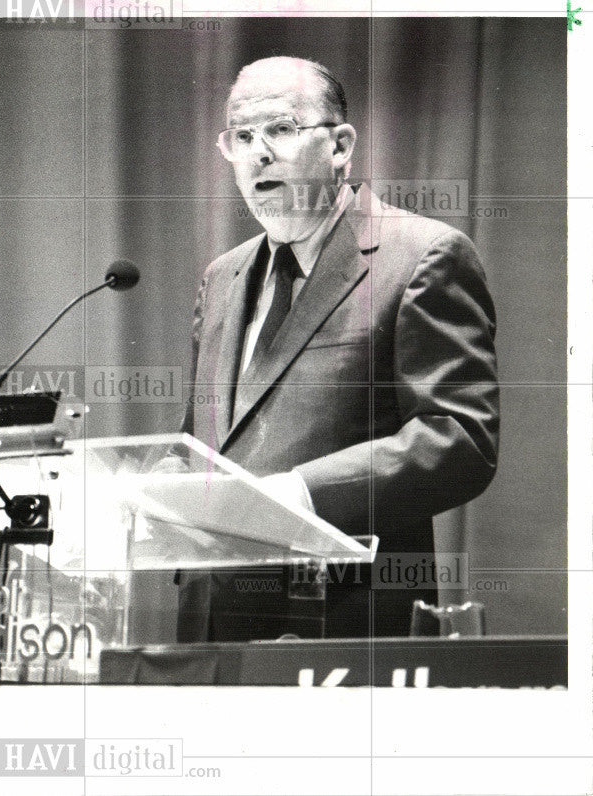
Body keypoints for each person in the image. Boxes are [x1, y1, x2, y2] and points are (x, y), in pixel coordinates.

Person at [179, 57, 499, 638]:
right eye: (242, 137)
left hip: (341, 620)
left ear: (340, 145)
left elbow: (460, 439)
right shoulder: (222, 277)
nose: (258, 153)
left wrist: (299, 494)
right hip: (212, 622)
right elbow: (206, 444)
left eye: (280, 130)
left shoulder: (423, 257)